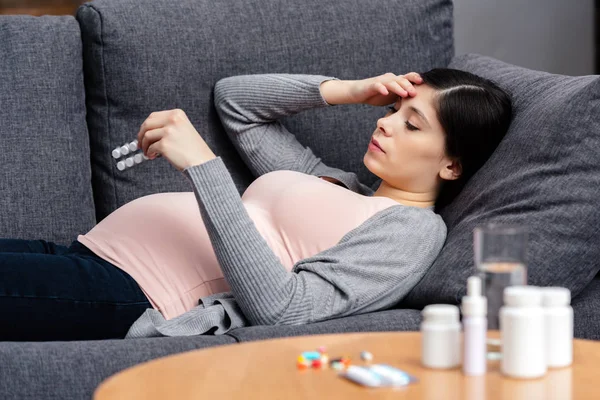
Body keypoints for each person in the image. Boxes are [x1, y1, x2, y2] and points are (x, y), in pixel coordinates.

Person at [0, 69, 512, 341]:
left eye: (412, 124)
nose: (385, 122)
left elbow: (286, 310)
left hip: (129, 294)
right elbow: (236, 103)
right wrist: (352, 91)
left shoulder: (412, 230)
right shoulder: (334, 182)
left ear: (452, 166)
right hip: (86, 256)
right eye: (395, 110)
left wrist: (203, 167)